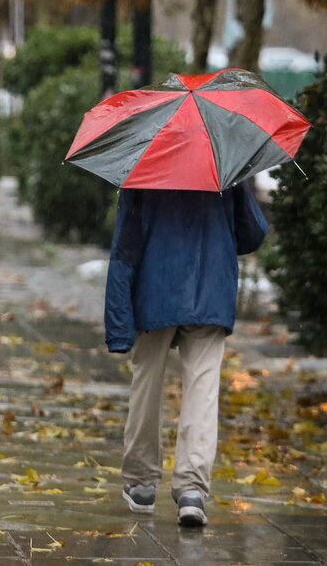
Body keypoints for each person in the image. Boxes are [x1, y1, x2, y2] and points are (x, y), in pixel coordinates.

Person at [104, 184, 269, 527]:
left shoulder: (144, 167)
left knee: (146, 382)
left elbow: (125, 247)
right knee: (203, 388)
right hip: (210, 288)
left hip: (153, 288)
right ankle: (192, 489)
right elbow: (253, 234)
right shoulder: (223, 166)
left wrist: (119, 325)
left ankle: (141, 481)